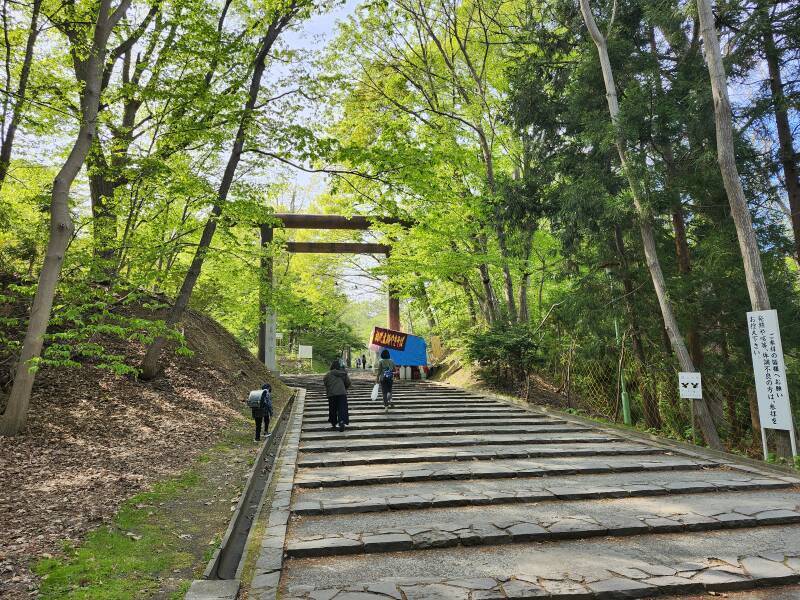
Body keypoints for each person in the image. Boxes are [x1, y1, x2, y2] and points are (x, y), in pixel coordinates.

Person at [323, 360, 351, 432]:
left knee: (332, 408)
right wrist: (344, 388)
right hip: (342, 393)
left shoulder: (327, 375)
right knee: (342, 408)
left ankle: (333, 422)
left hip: (332, 394)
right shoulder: (343, 374)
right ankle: (342, 421)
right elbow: (348, 382)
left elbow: (325, 383)